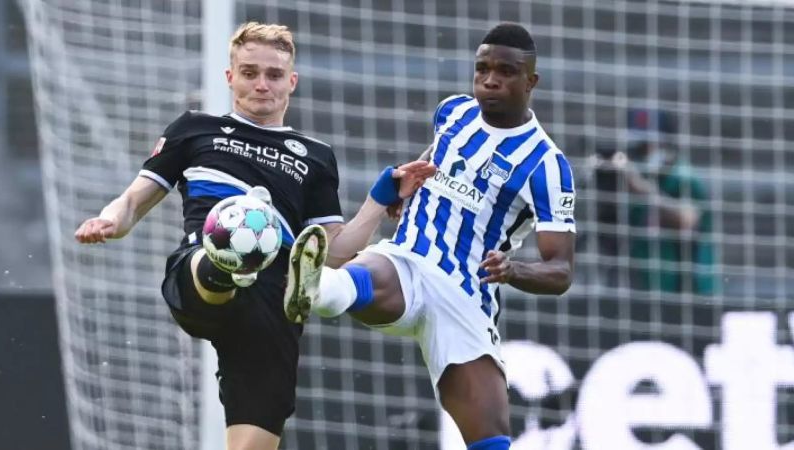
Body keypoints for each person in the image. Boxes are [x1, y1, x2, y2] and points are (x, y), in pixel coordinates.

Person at [74, 22, 435, 450]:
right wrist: (110, 220)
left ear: (291, 82)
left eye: (274, 75)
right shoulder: (194, 129)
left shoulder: (315, 157)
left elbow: (333, 254)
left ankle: (266, 279)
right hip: (201, 267)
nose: (261, 84)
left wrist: (381, 197)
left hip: (275, 296)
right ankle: (228, 267)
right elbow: (134, 201)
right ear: (230, 77)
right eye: (249, 73)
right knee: (230, 237)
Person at [284, 23, 576, 450]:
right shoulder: (453, 112)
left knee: (491, 438)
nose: (490, 79)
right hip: (409, 260)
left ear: (531, 81)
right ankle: (312, 286)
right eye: (482, 69)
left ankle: (318, 285)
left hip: (465, 298)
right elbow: (431, 161)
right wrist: (407, 182)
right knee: (361, 276)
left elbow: (561, 270)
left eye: (506, 72)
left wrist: (514, 270)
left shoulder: (547, 165)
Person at [597, 108, 717, 295]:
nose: (642, 153)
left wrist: (639, 187)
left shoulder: (683, 177)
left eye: (648, 145)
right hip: (645, 289)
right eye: (638, 146)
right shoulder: (634, 180)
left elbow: (687, 220)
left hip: (689, 293)